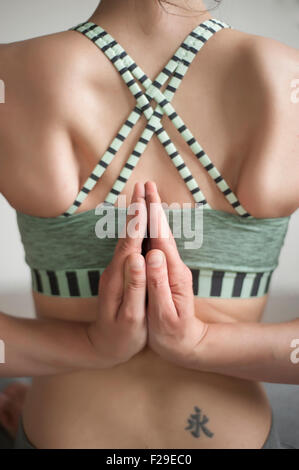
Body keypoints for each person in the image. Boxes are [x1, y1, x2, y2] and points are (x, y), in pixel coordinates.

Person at [0, 0, 298, 449]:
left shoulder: (12, 74)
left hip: (62, 427)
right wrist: (197, 344)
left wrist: (89, 346)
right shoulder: (287, 78)